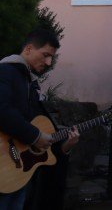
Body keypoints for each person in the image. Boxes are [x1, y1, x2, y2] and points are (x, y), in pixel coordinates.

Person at [0, 29, 79, 210]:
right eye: (45, 55)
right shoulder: (5, 72)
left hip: (18, 172)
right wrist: (35, 136)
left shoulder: (30, 83)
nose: (49, 62)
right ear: (28, 49)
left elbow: (38, 125)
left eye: (51, 57)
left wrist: (64, 145)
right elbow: (2, 110)